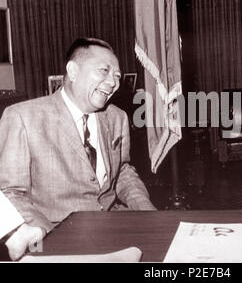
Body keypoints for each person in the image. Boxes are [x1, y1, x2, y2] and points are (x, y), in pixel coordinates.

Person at [0, 38, 156, 259]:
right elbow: (11, 193)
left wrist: (147, 213)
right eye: (104, 70)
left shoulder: (117, 118)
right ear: (72, 71)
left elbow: (122, 172)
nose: (113, 82)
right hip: (53, 234)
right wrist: (52, 236)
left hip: (116, 228)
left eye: (117, 76)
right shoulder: (22, 117)